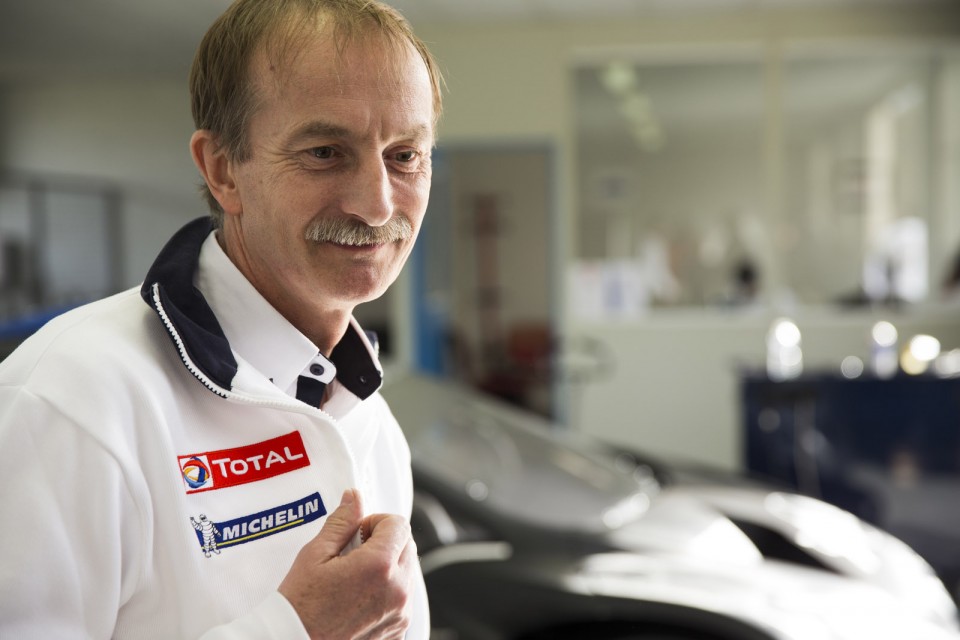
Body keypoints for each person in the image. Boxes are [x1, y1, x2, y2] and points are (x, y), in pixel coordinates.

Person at [0, 0, 442, 638]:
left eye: (405, 156)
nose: (377, 205)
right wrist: (295, 629)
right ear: (222, 169)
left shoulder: (363, 409)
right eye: (324, 152)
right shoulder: (65, 402)